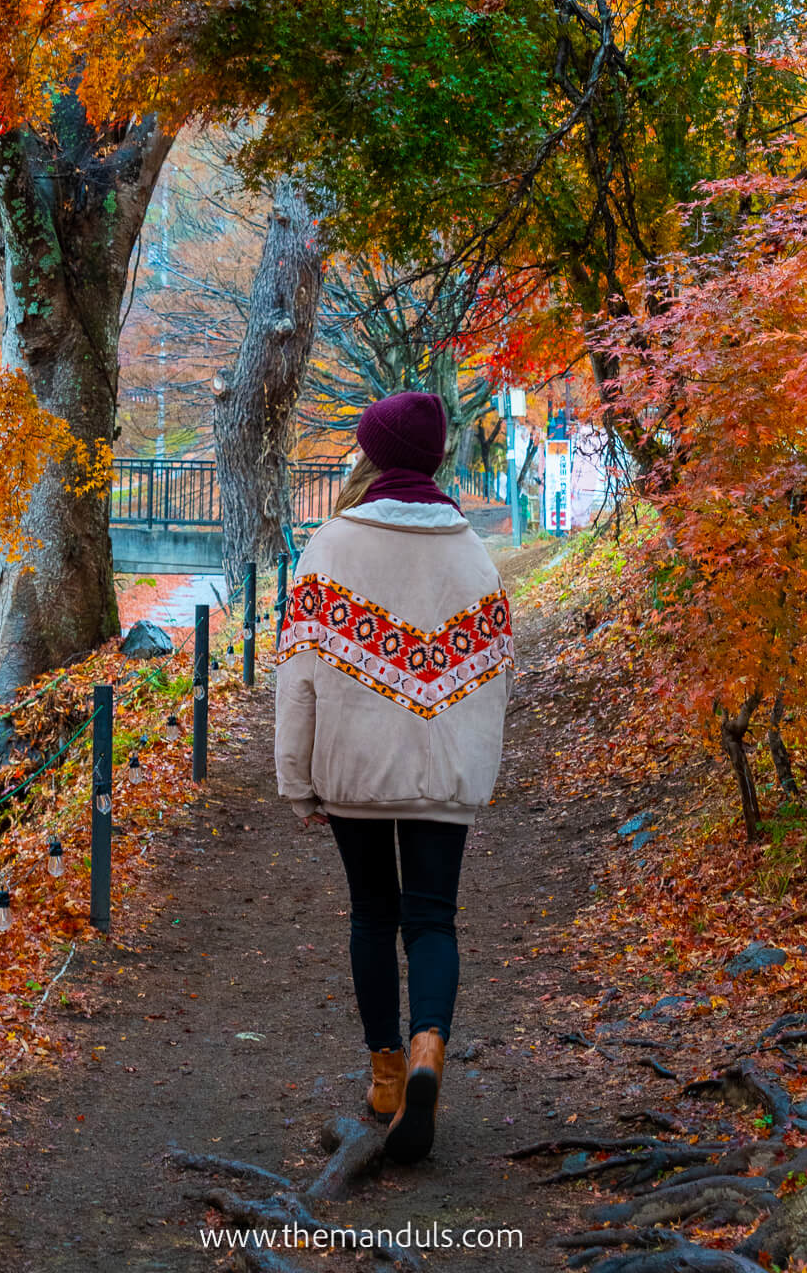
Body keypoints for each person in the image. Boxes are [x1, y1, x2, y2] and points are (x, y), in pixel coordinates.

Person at [274, 391, 513, 1164]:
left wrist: (297, 778)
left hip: (355, 770)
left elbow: (298, 675)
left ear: (373, 454)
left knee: (372, 917)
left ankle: (383, 1077)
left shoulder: (331, 548)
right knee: (433, 921)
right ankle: (427, 1053)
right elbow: (492, 678)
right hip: (443, 775)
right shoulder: (473, 554)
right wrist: (474, 773)